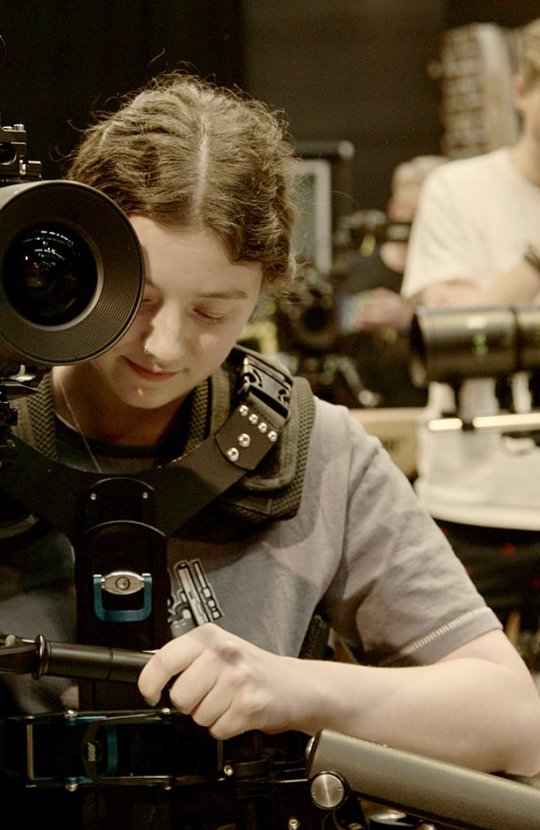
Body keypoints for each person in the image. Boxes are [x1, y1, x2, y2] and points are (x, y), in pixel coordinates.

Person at [1, 72, 539, 829]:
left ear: (264, 290)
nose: (164, 346)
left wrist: (290, 687)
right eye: (140, 299)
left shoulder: (317, 450)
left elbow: (514, 718)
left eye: (212, 312)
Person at [401, 19, 540, 666]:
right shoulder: (458, 188)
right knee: (459, 691)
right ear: (521, 90)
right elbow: (448, 327)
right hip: (476, 502)